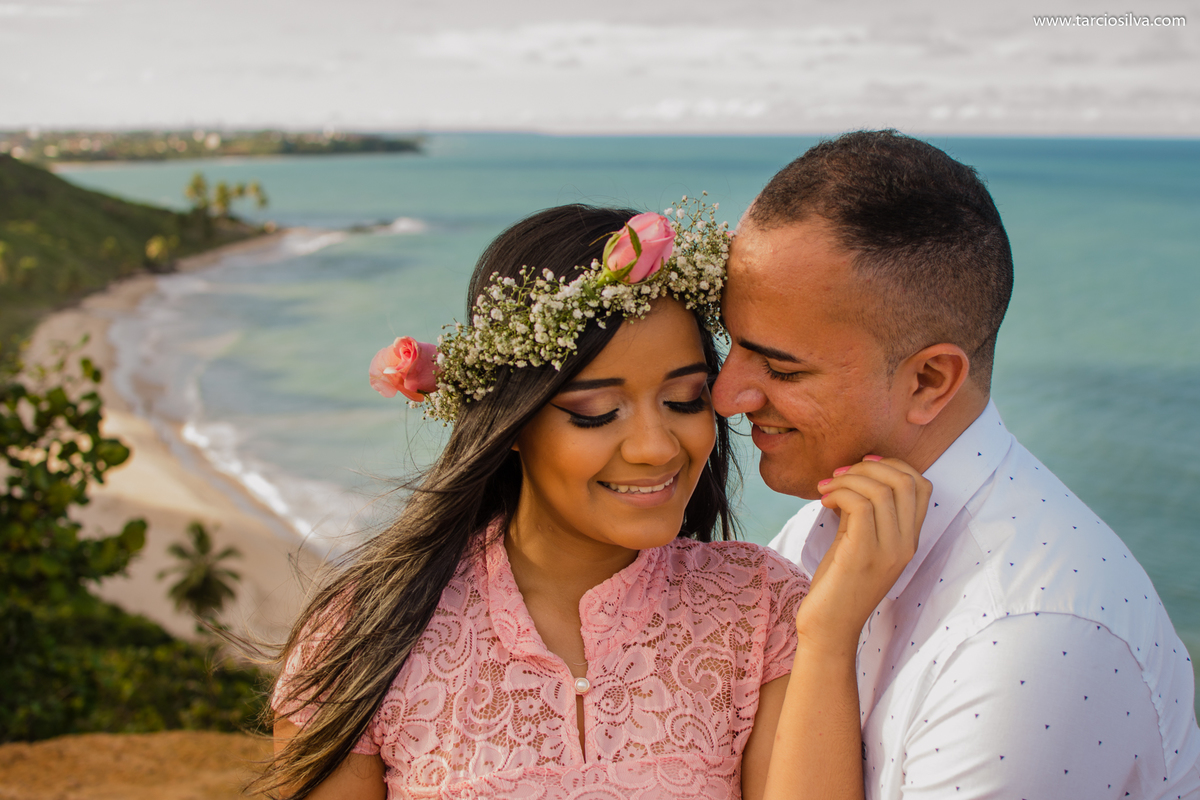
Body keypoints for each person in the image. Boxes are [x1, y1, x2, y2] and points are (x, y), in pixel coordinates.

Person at [258, 200, 931, 800]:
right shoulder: (362, 637)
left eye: (684, 400)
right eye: (596, 411)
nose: (655, 447)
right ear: (514, 423)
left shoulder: (764, 615)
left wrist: (830, 632)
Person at [714, 129, 1200, 799]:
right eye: (731, 344)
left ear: (928, 381)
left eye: (779, 366)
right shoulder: (816, 535)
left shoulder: (1032, 641)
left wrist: (823, 640)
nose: (724, 396)